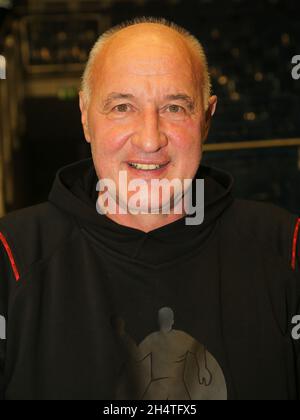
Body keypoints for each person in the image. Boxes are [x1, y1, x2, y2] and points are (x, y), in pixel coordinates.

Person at [0, 17, 299, 400]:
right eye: (123, 106)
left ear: (206, 119)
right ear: (85, 115)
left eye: (174, 108)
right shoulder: (10, 258)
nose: (149, 139)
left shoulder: (286, 248)